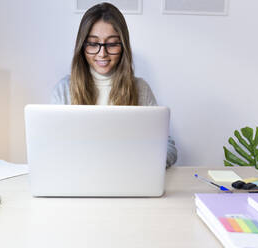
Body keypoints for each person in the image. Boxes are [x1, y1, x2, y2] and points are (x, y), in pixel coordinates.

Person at [51, 2, 177, 166]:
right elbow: (52, 147)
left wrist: (143, 163)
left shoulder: (140, 89)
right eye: (93, 43)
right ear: (82, 46)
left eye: (111, 44)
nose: (102, 53)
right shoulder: (64, 89)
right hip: (79, 178)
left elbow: (168, 148)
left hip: (127, 177)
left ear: (123, 46)